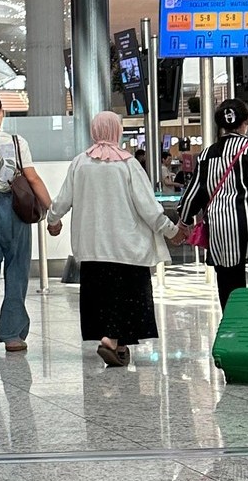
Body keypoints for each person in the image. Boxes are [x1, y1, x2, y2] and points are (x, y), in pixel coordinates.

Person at [46, 113, 185, 367]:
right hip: (127, 248)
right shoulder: (128, 164)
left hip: (92, 249)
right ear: (117, 131)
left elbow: (62, 199)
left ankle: (118, 345)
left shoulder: (80, 163)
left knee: (101, 297)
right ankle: (111, 340)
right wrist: (170, 230)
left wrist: (53, 220)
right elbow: (148, 207)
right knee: (127, 297)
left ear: (94, 130)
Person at [178, 100, 248, 309]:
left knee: (229, 288)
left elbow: (193, 195)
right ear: (247, 120)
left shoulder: (206, 156)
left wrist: (183, 223)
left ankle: (234, 326)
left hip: (221, 230)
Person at [0, 93, 52, 355]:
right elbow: (32, 178)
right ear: (0, 113)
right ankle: (13, 336)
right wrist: (52, 211)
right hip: (14, 209)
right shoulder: (16, 142)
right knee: (16, 272)